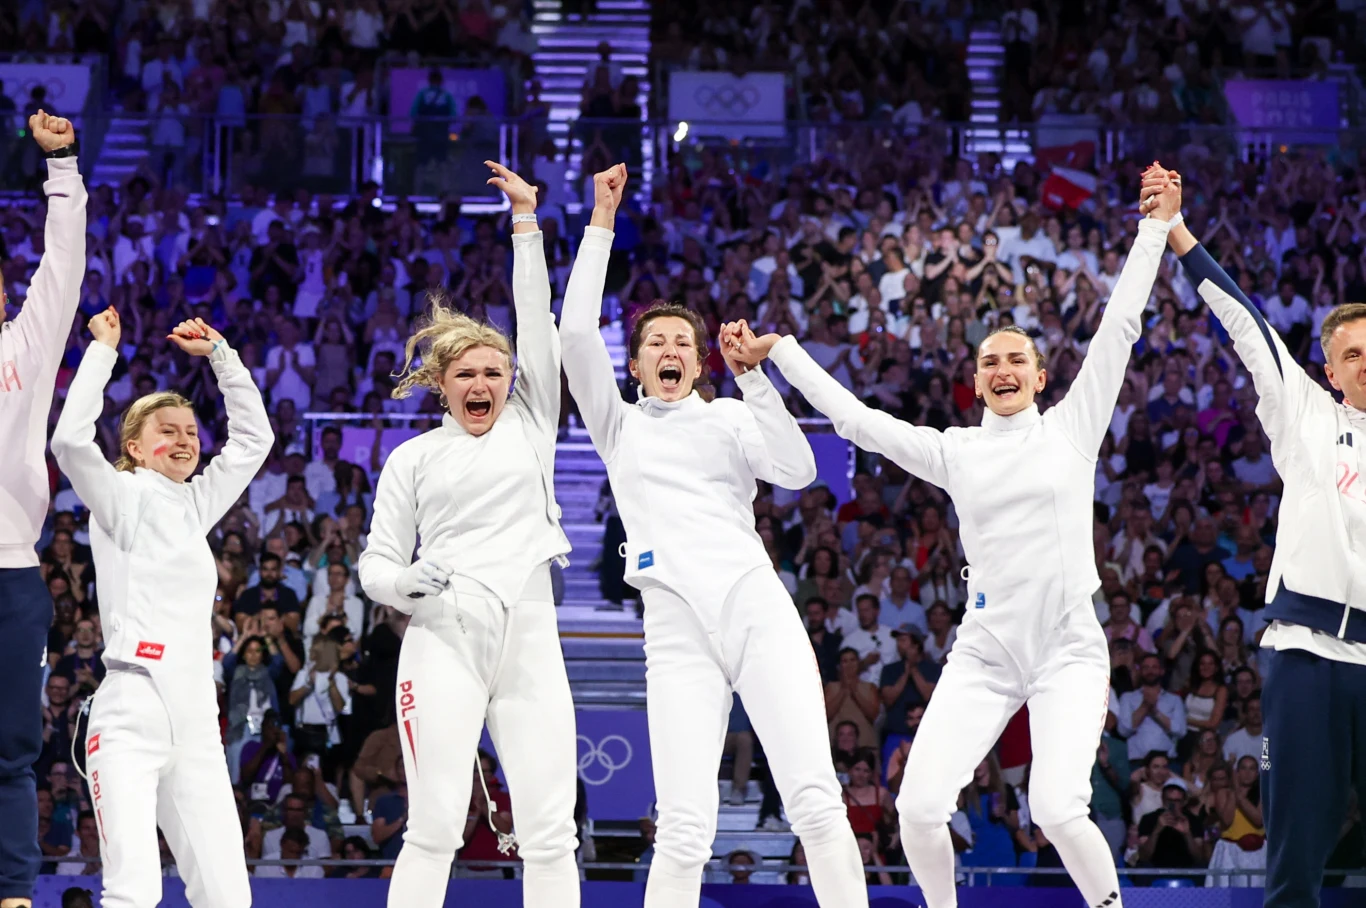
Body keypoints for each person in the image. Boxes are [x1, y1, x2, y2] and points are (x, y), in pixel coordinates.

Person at [730, 169, 1180, 908]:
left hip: (1069, 646)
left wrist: (1155, 226)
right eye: (990, 361)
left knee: (1058, 808)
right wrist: (781, 351)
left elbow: (1120, 324)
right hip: (987, 649)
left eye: (1017, 360)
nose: (1003, 369)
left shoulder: (1073, 429)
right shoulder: (955, 452)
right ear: (975, 383)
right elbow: (855, 421)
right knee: (916, 808)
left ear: (1040, 377)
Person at [558, 164, 866, 907]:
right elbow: (572, 335)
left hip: (753, 603)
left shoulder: (729, 414)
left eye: (682, 343)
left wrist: (755, 380)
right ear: (634, 366)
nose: (669, 349)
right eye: (654, 342)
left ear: (699, 364)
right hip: (674, 626)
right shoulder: (619, 425)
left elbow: (795, 470)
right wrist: (601, 219)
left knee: (817, 802)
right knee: (686, 827)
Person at [1145, 162, 1366, 908]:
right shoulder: (1303, 410)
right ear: (1329, 370)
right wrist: (1176, 230)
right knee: (1298, 847)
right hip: (1305, 652)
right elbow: (1240, 314)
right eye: (1354, 355)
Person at [358, 162, 578, 908]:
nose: (482, 382)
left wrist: (525, 222)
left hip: (531, 633)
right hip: (443, 635)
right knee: (434, 828)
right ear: (442, 383)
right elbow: (375, 564)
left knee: (551, 831)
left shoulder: (532, 422)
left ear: (511, 379)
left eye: (495, 370)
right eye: (467, 373)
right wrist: (402, 585)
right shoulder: (412, 457)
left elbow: (535, 311)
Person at [49, 310, 272, 908]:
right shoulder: (121, 498)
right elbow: (70, 441)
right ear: (135, 449)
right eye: (167, 431)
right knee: (133, 892)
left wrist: (222, 357)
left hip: (197, 716)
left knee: (229, 897)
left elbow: (255, 440)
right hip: (132, 709)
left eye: (192, 432)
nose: (185, 440)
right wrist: (102, 352)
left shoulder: (194, 506)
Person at [0, 110, 83, 908]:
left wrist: (61, 167)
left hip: (13, 579)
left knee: (13, 751)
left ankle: (14, 892)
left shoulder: (19, 350)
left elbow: (62, 268)